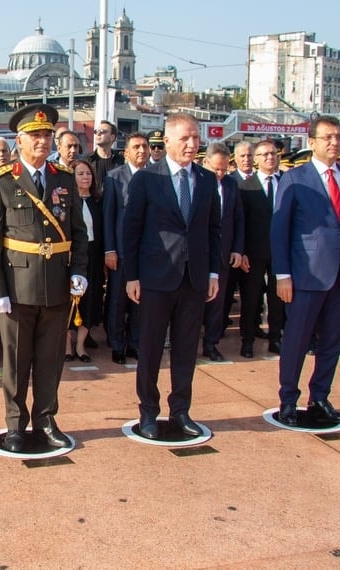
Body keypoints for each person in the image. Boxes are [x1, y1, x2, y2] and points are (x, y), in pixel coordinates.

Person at [0, 103, 88, 452]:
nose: (42, 141)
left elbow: (78, 232)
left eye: (46, 135)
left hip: (57, 284)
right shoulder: (1, 180)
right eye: (34, 136)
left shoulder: (64, 176)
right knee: (15, 361)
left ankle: (46, 419)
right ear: (19, 140)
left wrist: (79, 271)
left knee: (50, 359)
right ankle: (15, 423)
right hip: (16, 286)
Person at [123, 113, 221, 439]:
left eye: (196, 138)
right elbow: (131, 231)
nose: (192, 144)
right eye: (185, 139)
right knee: (150, 349)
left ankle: (181, 411)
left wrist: (212, 272)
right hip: (154, 279)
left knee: (185, 349)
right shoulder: (147, 180)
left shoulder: (207, 181)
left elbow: (213, 230)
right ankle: (148, 412)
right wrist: (132, 276)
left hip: (193, 280)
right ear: (166, 141)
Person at [271, 116, 340, 427]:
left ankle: (320, 396)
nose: (334, 143)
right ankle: (288, 399)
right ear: (311, 142)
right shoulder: (296, 178)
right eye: (327, 137)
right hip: (305, 275)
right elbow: (279, 231)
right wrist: (283, 275)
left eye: (338, 137)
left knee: (332, 341)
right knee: (297, 340)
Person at [102, 132, 149, 364]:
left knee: (141, 301)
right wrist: (109, 249)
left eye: (145, 146)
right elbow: (108, 216)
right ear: (126, 152)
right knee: (118, 300)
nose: (141, 151)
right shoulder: (114, 178)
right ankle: (117, 344)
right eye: (136, 147)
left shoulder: (156, 176)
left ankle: (135, 343)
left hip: (147, 253)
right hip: (120, 252)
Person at [238, 140, 285, 358]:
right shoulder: (246, 186)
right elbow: (241, 221)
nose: (269, 158)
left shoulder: (287, 182)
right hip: (254, 252)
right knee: (251, 297)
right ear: (256, 159)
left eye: (273, 154)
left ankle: (276, 337)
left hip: (281, 253)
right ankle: (247, 340)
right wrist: (242, 251)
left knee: (278, 298)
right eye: (264, 154)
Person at [201, 142, 244, 361]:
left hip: (223, 254)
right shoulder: (196, 182)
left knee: (217, 302)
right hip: (199, 253)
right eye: (216, 168)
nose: (220, 173)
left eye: (224, 169)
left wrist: (237, 249)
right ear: (205, 162)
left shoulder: (231, 186)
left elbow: (238, 219)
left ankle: (211, 343)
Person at [67, 159, 103, 362]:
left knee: (90, 299)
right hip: (71, 255)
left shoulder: (98, 201)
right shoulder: (67, 200)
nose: (85, 177)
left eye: (88, 173)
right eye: (80, 174)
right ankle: (66, 346)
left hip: (94, 255)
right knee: (69, 299)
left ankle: (81, 345)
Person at [85, 120, 123, 193]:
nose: (98, 134)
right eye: (96, 131)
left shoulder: (121, 160)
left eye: (102, 131)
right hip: (93, 202)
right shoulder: (87, 160)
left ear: (112, 137)